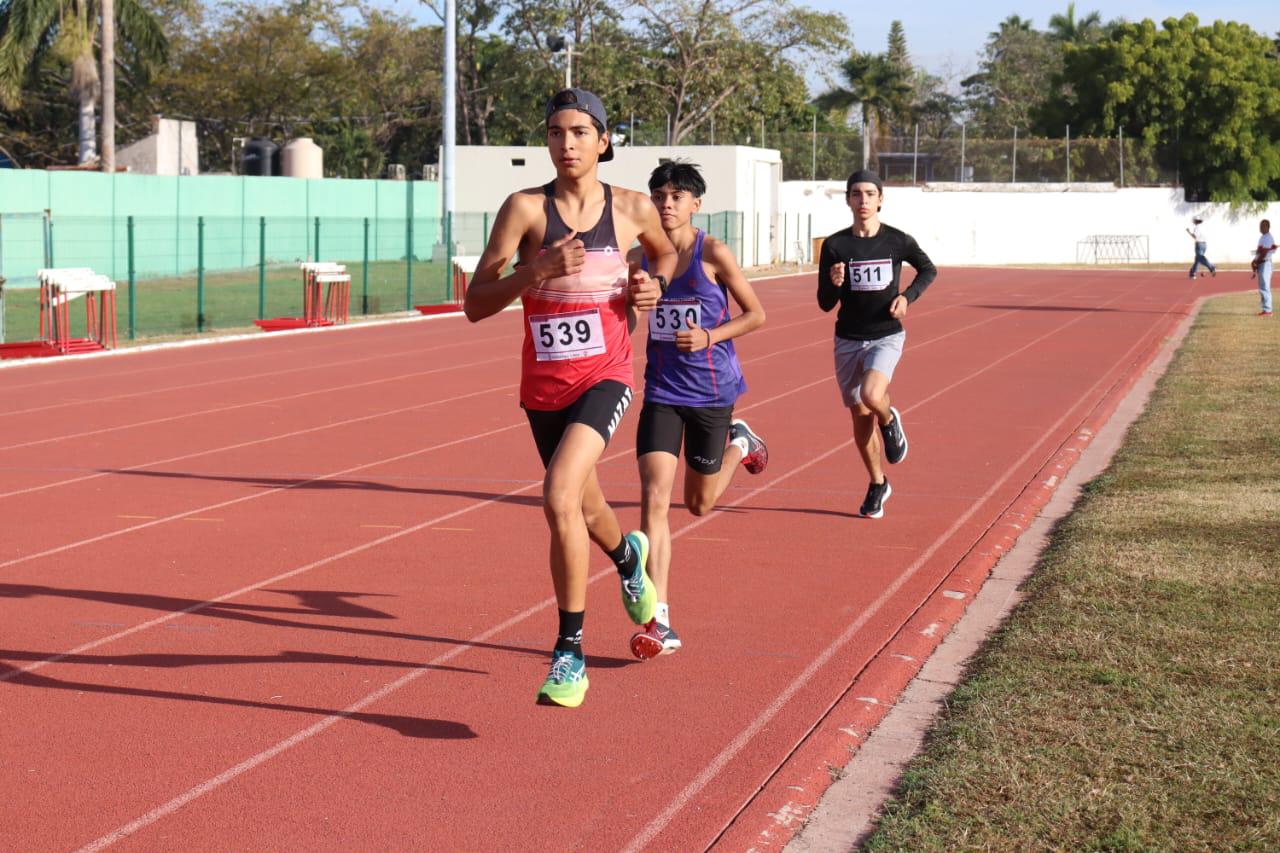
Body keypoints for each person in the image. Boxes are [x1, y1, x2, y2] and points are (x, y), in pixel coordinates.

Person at [463, 88, 677, 708]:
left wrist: (650, 286)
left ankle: (569, 652)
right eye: (556, 133)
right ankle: (628, 557)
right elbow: (475, 304)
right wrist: (537, 271)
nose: (567, 144)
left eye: (580, 132)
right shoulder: (524, 210)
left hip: (605, 375)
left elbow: (665, 255)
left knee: (557, 494)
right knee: (584, 508)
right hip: (543, 386)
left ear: (604, 141)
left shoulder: (634, 208)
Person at [625, 161, 768, 660]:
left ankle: (741, 444)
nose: (667, 204)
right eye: (660, 195)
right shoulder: (638, 257)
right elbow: (625, 315)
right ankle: (657, 619)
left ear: (696, 204)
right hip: (662, 391)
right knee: (653, 501)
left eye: (677, 196)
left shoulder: (713, 253)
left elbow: (756, 314)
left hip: (711, 394)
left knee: (700, 504)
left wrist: (710, 334)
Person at [817, 169, 936, 519]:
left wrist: (907, 297)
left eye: (870, 193)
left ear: (881, 199)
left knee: (872, 396)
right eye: (857, 194)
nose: (863, 200)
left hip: (886, 334)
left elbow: (928, 269)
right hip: (847, 339)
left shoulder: (897, 241)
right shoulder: (836, 245)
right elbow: (825, 303)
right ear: (848, 200)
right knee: (859, 416)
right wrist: (835, 282)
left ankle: (890, 421)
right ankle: (877, 482)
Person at [1253, 219, 1275, 317]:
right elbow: (1259, 251)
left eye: (1262, 226)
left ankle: (1268, 310)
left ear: (1267, 227)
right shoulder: (1262, 237)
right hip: (1262, 263)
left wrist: (1257, 261)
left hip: (1265, 263)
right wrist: (1255, 261)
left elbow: (1265, 252)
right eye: (1260, 225)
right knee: (1262, 287)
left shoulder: (1268, 238)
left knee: (1265, 286)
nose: (1260, 228)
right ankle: (1265, 309)